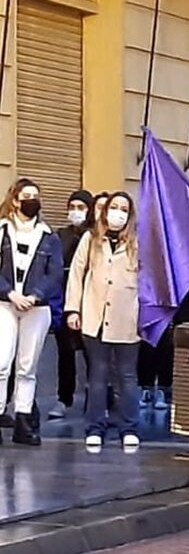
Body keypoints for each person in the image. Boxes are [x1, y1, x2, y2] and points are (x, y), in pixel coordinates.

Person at [66, 191, 142, 450]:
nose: (118, 213)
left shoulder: (138, 243)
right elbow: (76, 275)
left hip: (128, 320)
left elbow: (151, 283)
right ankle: (95, 427)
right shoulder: (91, 239)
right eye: (114, 207)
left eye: (123, 208)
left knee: (127, 376)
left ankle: (129, 427)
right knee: (97, 376)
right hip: (95, 317)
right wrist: (72, 310)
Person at [0, 179, 64, 446]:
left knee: (28, 367)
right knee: (2, 364)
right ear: (15, 200)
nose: (32, 201)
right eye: (27, 196)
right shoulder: (2, 231)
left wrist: (35, 295)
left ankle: (23, 419)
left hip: (36, 309)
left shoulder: (49, 235)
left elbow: (55, 272)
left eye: (36, 196)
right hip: (4, 305)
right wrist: (10, 293)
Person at [50, 189, 94, 420]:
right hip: (65, 303)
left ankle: (96, 399)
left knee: (93, 355)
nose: (75, 212)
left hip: (91, 303)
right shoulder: (60, 235)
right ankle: (63, 399)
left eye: (81, 207)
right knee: (65, 354)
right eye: (72, 207)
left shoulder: (95, 235)